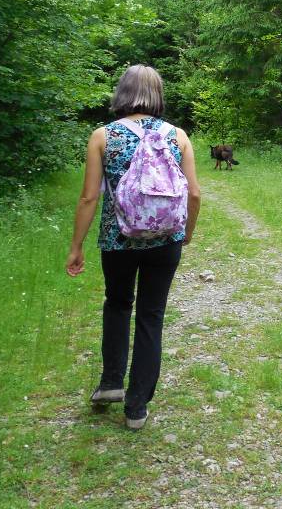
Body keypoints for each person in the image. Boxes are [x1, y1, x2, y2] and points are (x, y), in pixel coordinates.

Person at [65, 64, 202, 430]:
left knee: (118, 303)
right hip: (165, 240)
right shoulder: (178, 136)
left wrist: (76, 246)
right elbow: (194, 193)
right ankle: (137, 407)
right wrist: (186, 232)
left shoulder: (102, 136)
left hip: (117, 239)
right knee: (151, 315)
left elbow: (89, 197)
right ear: (158, 94)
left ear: (121, 93)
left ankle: (112, 382)